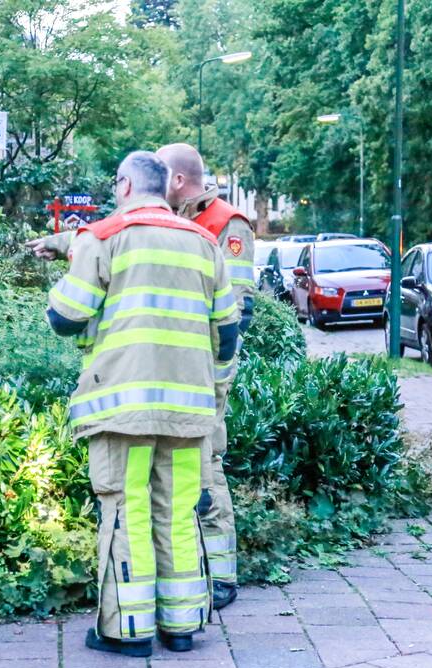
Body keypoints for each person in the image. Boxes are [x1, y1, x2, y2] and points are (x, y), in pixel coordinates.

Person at [26, 151, 240, 657]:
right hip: (190, 414)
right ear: (166, 189)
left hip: (123, 410)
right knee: (180, 512)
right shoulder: (205, 243)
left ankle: (129, 631)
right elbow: (228, 335)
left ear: (124, 186)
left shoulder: (105, 237)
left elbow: (66, 316)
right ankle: (183, 626)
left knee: (126, 509)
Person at [156, 143, 255, 610]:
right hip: (180, 364)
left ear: (177, 180)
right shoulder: (176, 219)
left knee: (207, 461)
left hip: (207, 367)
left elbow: (237, 309)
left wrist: (212, 372)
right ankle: (195, 565)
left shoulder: (226, 223)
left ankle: (221, 576)